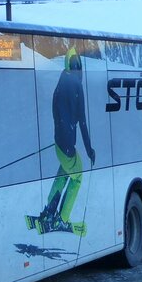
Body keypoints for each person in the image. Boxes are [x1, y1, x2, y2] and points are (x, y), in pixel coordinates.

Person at [31, 47, 96, 234]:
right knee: (78, 177)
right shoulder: (76, 86)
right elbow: (82, 122)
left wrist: (61, 130)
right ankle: (62, 218)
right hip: (67, 143)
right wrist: (90, 149)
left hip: (59, 140)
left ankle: (49, 211)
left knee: (65, 173)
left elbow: (55, 110)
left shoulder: (61, 81)